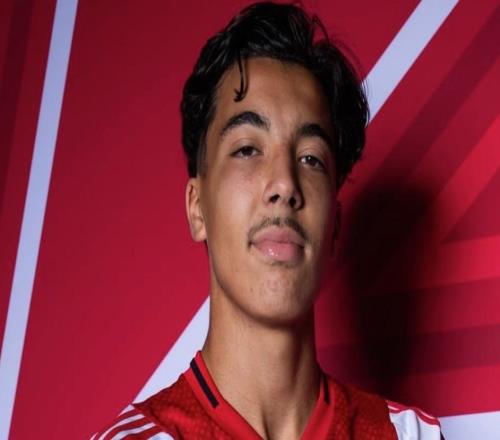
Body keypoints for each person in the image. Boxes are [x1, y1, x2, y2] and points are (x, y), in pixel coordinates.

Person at [94, 2, 443, 439]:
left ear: (334, 225)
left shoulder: (408, 434)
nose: (284, 184)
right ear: (197, 207)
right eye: (247, 149)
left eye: (311, 158)